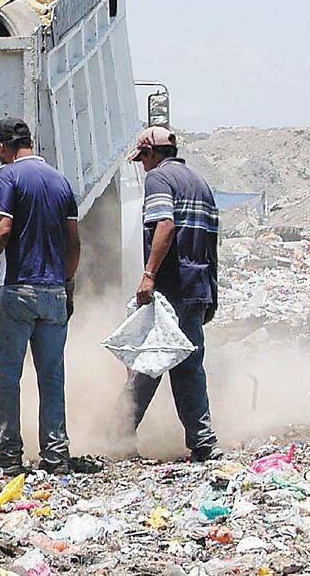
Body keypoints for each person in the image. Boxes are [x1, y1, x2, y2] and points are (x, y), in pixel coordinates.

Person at [0, 117, 80, 475]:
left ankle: (8, 455)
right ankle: (56, 455)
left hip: (17, 290)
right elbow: (73, 242)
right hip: (54, 293)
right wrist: (66, 281)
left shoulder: (8, 176)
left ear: (3, 146)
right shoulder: (60, 181)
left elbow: (2, 229)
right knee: (51, 376)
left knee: (5, 375)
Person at [113, 126, 222, 461]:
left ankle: (119, 437)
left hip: (172, 289)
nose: (142, 166)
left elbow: (165, 225)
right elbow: (210, 243)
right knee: (189, 367)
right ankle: (203, 442)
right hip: (196, 288)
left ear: (150, 152)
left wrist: (148, 275)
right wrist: (212, 293)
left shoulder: (159, 180)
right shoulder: (199, 184)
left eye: (142, 159)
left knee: (149, 359)